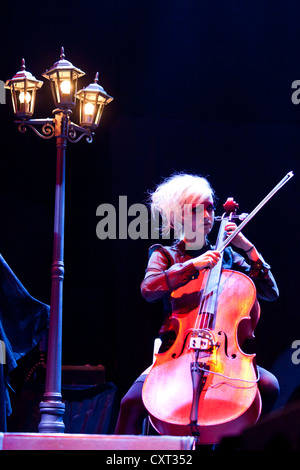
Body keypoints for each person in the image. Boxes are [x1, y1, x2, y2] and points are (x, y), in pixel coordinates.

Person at [115, 173, 279, 435]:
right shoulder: (165, 254)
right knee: (131, 402)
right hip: (178, 353)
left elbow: (271, 292)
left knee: (269, 386)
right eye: (195, 209)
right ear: (179, 217)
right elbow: (149, 289)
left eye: (210, 207)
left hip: (221, 355)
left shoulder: (227, 256)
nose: (205, 215)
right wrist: (192, 265)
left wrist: (247, 248)